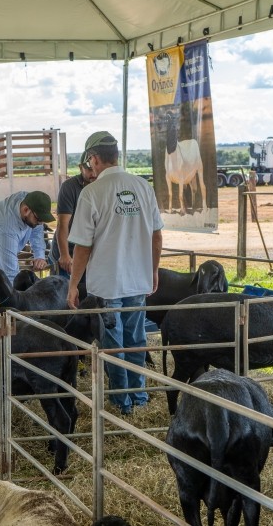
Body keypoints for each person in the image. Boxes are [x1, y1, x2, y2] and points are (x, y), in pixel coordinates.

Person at [66, 131, 163, 416]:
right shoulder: (142, 187)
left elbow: (82, 246)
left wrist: (73, 285)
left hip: (108, 284)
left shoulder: (92, 193)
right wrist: (153, 270)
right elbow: (157, 235)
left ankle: (123, 403)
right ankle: (140, 397)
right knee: (137, 340)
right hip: (137, 280)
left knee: (113, 344)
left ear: (94, 159)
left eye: (90, 162)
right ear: (116, 156)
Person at [50, 160, 97, 278]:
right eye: (89, 169)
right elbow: (63, 224)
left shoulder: (101, 186)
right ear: (81, 168)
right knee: (63, 291)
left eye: (95, 169)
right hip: (68, 250)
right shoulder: (69, 187)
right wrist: (64, 255)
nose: (93, 174)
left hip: (88, 252)